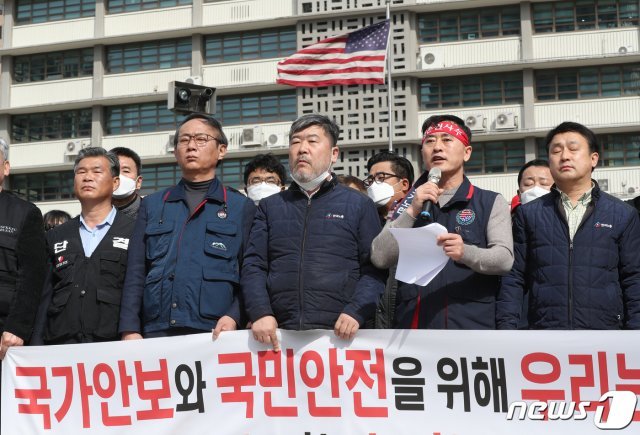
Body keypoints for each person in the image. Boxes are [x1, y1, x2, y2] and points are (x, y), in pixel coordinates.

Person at [240, 114, 386, 351]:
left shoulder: (359, 204)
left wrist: (356, 311)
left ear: (334, 154)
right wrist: (260, 312)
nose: (302, 149)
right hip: (278, 335)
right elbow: (254, 265)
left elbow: (374, 269)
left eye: (312, 141)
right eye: (296, 142)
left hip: (341, 336)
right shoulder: (271, 207)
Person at [119, 113, 255, 340]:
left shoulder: (240, 207)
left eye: (201, 139)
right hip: (157, 331)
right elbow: (135, 272)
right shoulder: (152, 205)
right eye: (184, 140)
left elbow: (251, 271)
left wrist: (235, 315)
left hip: (216, 331)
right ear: (175, 152)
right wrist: (130, 328)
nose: (191, 146)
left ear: (221, 150)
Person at [371, 114, 514, 329]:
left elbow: (504, 259)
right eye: (430, 141)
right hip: (413, 328)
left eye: (447, 140)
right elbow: (380, 257)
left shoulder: (490, 201)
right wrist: (412, 210)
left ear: (467, 152)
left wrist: (465, 252)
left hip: (471, 328)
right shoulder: (408, 203)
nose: (437, 147)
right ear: (422, 153)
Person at [497, 122, 640, 330]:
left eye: (573, 149)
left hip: (605, 335)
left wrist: (635, 333)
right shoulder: (528, 214)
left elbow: (634, 279)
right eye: (556, 151)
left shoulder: (622, 214)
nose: (564, 156)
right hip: (545, 332)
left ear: (593, 158)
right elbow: (514, 278)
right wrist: (506, 329)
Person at [33, 147, 135, 344]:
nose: (87, 177)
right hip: (62, 345)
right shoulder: (56, 236)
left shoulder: (134, 231)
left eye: (97, 171)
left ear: (115, 182)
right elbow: (44, 296)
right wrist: (36, 344)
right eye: (81, 172)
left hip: (112, 345)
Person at [0, 138, 47, 359]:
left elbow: (31, 276)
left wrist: (17, 328)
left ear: (6, 168)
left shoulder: (25, 213)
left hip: (4, 335)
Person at [363, 151, 414, 328]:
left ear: (404, 184)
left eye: (381, 178)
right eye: (370, 180)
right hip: (370, 328)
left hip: (407, 325)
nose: (373, 185)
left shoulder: (421, 220)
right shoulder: (365, 223)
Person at [110, 147, 143, 219]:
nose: (118, 176)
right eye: (113, 170)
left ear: (138, 182)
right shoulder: (90, 215)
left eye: (126, 171)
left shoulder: (153, 213)